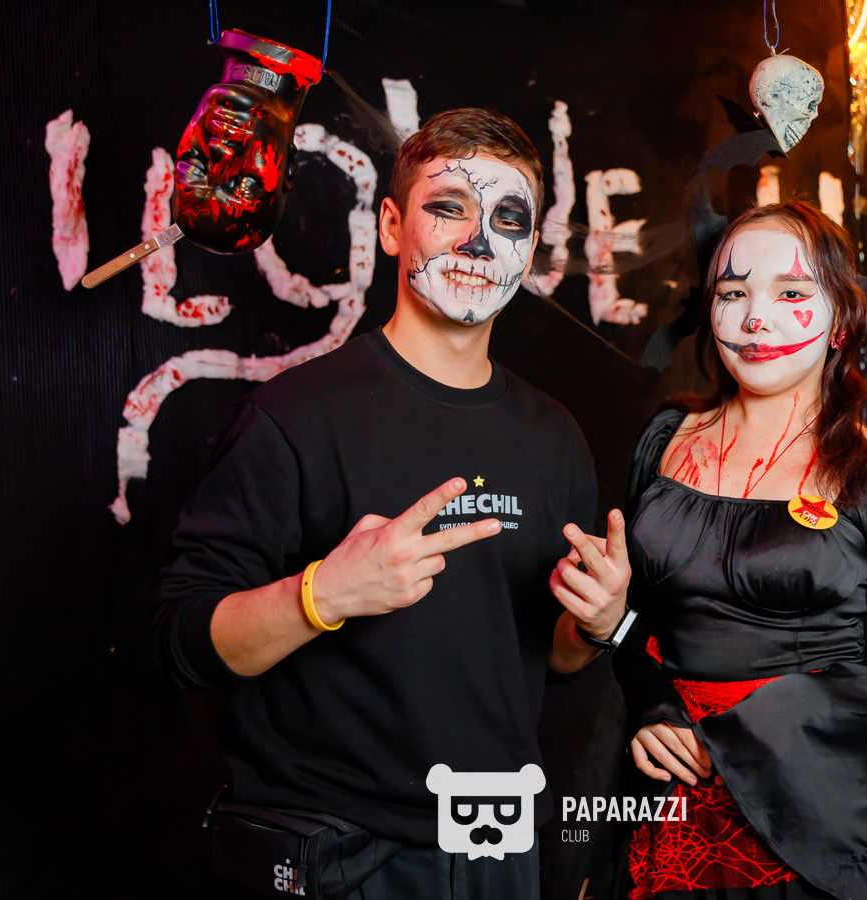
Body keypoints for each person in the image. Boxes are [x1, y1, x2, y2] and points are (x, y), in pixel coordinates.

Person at [153, 108, 631, 900]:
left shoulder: (554, 437)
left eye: (508, 219)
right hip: (337, 855)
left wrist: (594, 622)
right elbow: (180, 644)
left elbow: (549, 658)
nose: (479, 242)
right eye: (448, 208)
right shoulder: (292, 417)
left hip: (496, 849)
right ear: (388, 226)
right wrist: (323, 595)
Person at [558, 200, 867, 899]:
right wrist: (651, 701)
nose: (755, 319)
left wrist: (740, 736)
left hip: (808, 815)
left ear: (841, 321)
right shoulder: (665, 438)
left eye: (792, 293)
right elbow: (633, 622)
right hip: (668, 799)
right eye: (733, 293)